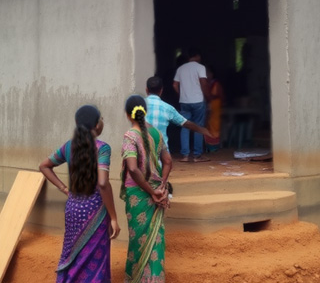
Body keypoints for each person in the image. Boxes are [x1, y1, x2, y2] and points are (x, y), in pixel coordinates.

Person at [40, 105, 120, 283]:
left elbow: (44, 166)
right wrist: (113, 217)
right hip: (95, 210)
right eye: (101, 119)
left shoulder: (68, 147)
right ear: (97, 125)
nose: (103, 123)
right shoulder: (103, 148)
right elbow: (102, 183)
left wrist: (64, 188)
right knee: (96, 259)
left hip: (73, 208)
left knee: (72, 255)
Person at [121, 95, 172, 283]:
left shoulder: (130, 136)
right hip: (157, 192)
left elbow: (132, 168)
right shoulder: (157, 134)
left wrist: (152, 192)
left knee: (138, 239)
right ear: (146, 111)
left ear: (128, 114)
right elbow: (168, 162)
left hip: (138, 194)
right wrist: (161, 186)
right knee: (156, 239)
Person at [143, 76, 215, 153]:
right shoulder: (168, 108)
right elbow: (186, 123)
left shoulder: (137, 106)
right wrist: (202, 130)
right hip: (161, 153)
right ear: (161, 90)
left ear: (146, 90)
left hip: (142, 150)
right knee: (167, 162)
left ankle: (185, 154)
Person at [172, 47, 210, 162]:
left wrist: (182, 95)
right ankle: (197, 156)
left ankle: (185, 156)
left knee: (185, 127)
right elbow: (203, 83)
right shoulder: (200, 67)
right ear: (198, 56)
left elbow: (174, 85)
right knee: (198, 127)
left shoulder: (181, 68)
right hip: (198, 101)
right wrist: (208, 97)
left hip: (184, 102)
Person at [204, 67, 224, 152]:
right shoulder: (205, 83)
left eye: (209, 73)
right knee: (207, 125)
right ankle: (208, 146)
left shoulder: (216, 83)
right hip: (207, 106)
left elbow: (219, 95)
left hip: (215, 106)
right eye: (206, 73)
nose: (207, 75)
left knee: (215, 126)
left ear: (213, 74)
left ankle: (214, 146)